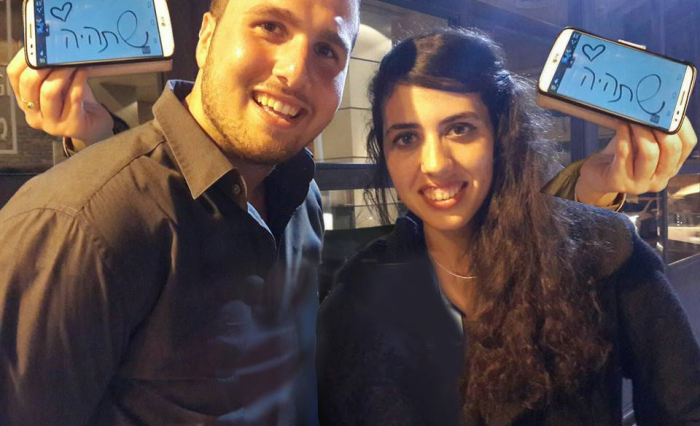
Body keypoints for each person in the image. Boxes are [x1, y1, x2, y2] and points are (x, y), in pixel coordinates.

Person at [316, 28, 700, 426]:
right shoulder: (359, 296)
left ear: (500, 134)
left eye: (459, 129)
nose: (434, 164)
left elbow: (684, 408)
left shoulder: (604, 252)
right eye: (406, 138)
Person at [0, 0, 359, 424]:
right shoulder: (77, 223)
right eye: (269, 26)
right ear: (206, 38)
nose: (295, 72)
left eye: (326, 50)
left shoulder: (302, 197)